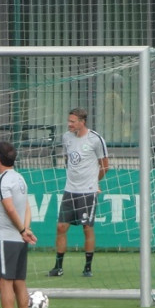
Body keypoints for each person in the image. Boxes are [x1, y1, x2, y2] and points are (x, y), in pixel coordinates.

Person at [48, 108, 108, 278]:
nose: (69, 124)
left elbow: (105, 165)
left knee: (87, 228)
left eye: (73, 121)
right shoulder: (66, 138)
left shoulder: (96, 139)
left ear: (82, 122)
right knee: (61, 227)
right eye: (69, 121)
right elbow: (69, 160)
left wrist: (94, 183)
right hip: (70, 190)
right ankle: (58, 267)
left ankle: (87, 268)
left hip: (88, 192)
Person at [0, 141, 38, 308]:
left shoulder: (2, 180)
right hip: (18, 238)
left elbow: (9, 208)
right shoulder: (20, 179)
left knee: (4, 281)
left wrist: (22, 229)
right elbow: (26, 206)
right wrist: (25, 230)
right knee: (19, 282)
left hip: (6, 238)